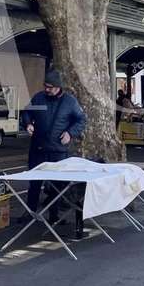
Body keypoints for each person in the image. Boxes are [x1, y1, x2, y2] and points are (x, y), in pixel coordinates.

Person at [19, 69, 86, 219]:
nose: (46, 89)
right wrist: (28, 123)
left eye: (50, 87)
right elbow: (27, 112)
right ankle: (30, 212)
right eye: (45, 86)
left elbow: (81, 120)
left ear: (58, 87)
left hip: (58, 150)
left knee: (56, 185)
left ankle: (54, 215)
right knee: (34, 183)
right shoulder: (38, 98)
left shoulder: (70, 102)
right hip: (38, 148)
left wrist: (70, 133)